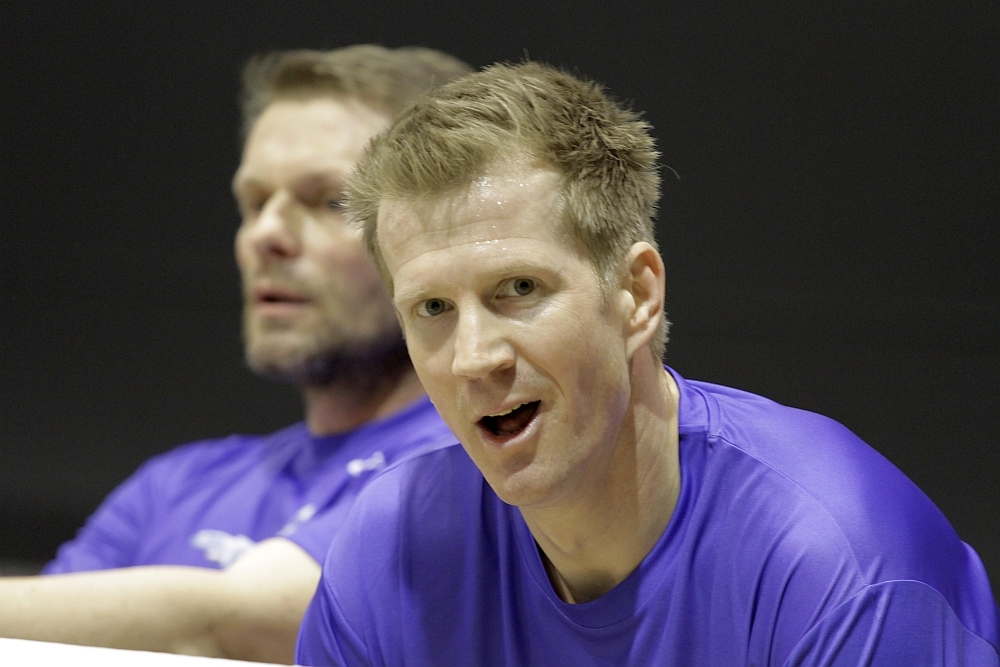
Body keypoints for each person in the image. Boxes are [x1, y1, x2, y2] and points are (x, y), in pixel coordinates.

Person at [296, 61, 1000, 666]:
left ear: (636, 294)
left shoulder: (839, 564)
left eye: (520, 289)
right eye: (433, 308)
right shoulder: (390, 550)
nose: (473, 358)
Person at [0, 45, 470, 664]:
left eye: (329, 200)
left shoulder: (478, 461)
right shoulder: (176, 485)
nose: (265, 235)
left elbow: (237, 625)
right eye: (254, 202)